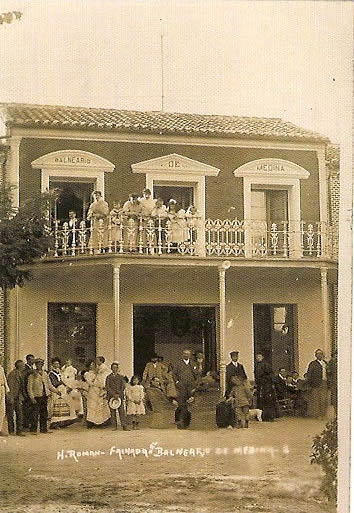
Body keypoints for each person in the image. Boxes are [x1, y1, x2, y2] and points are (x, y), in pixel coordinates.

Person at [27, 358, 60, 434]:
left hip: (44, 396)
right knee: (35, 414)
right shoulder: (32, 375)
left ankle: (43, 429)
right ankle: (33, 429)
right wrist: (32, 397)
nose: (39, 366)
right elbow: (29, 388)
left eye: (41, 364)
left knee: (44, 413)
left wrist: (56, 391)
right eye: (38, 364)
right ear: (36, 365)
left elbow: (49, 385)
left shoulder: (45, 374)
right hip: (36, 396)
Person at [48, 358, 77, 429]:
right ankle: (55, 423)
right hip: (56, 390)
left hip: (63, 390)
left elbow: (65, 380)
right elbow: (54, 383)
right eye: (55, 364)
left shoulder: (61, 372)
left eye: (57, 364)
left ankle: (63, 422)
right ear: (52, 365)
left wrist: (66, 386)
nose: (56, 365)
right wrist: (61, 382)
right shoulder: (51, 373)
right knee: (57, 407)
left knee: (64, 406)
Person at [173, 349, 198, 428]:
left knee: (189, 404)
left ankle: (187, 422)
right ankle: (180, 421)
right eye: (185, 354)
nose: (186, 355)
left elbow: (197, 375)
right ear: (182, 354)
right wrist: (177, 382)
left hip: (190, 386)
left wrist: (195, 385)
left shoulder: (193, 364)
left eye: (188, 354)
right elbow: (174, 373)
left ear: (190, 355)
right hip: (181, 387)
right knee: (181, 404)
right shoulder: (178, 364)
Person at [84, 360, 111, 428]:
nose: (92, 366)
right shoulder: (87, 374)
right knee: (92, 406)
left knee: (99, 406)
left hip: (99, 390)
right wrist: (96, 380)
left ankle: (100, 422)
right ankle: (90, 422)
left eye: (93, 364)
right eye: (90, 365)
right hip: (92, 391)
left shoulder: (99, 372)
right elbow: (90, 382)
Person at [105, 362, 129, 431]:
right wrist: (113, 394)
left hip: (119, 396)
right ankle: (114, 426)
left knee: (122, 411)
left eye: (116, 368)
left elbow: (123, 386)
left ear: (118, 369)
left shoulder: (121, 377)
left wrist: (118, 393)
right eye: (113, 368)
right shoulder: (108, 377)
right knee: (112, 412)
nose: (114, 369)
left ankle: (124, 425)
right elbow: (107, 387)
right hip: (111, 396)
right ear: (111, 368)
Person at [254, 353, 278, 421]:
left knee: (267, 401)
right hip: (260, 385)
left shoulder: (266, 365)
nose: (258, 358)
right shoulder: (257, 365)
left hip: (266, 386)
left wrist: (265, 380)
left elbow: (270, 375)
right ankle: (261, 416)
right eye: (257, 357)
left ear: (262, 357)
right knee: (260, 401)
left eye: (259, 356)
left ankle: (269, 416)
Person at [306, 349, 329, 419]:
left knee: (324, 400)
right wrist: (310, 383)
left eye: (321, 354)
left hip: (324, 383)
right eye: (318, 354)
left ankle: (323, 414)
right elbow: (309, 374)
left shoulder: (325, 363)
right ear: (315, 355)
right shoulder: (312, 364)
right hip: (316, 384)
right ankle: (318, 415)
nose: (320, 355)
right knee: (316, 400)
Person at [6, 360, 26, 436]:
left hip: (18, 397)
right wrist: (10, 397)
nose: (24, 366)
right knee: (11, 415)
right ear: (19, 366)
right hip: (12, 397)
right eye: (23, 365)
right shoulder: (12, 374)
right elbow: (10, 386)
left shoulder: (20, 373)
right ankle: (11, 430)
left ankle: (19, 431)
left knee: (19, 414)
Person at [22, 354, 35, 430]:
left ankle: (29, 424)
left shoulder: (32, 367)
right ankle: (25, 425)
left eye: (33, 359)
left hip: (32, 390)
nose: (32, 361)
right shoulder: (25, 368)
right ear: (28, 360)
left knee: (31, 409)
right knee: (26, 409)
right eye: (31, 360)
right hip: (27, 390)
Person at [327, 350, 337, 415]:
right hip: (333, 382)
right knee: (334, 398)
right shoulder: (331, 363)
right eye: (335, 355)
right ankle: (335, 412)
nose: (336, 357)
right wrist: (330, 382)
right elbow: (328, 373)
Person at [0, 363, 9, 436]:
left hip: (2, 388)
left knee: (2, 410)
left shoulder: (1, 368)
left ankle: (0, 429)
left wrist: (7, 390)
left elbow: (4, 379)